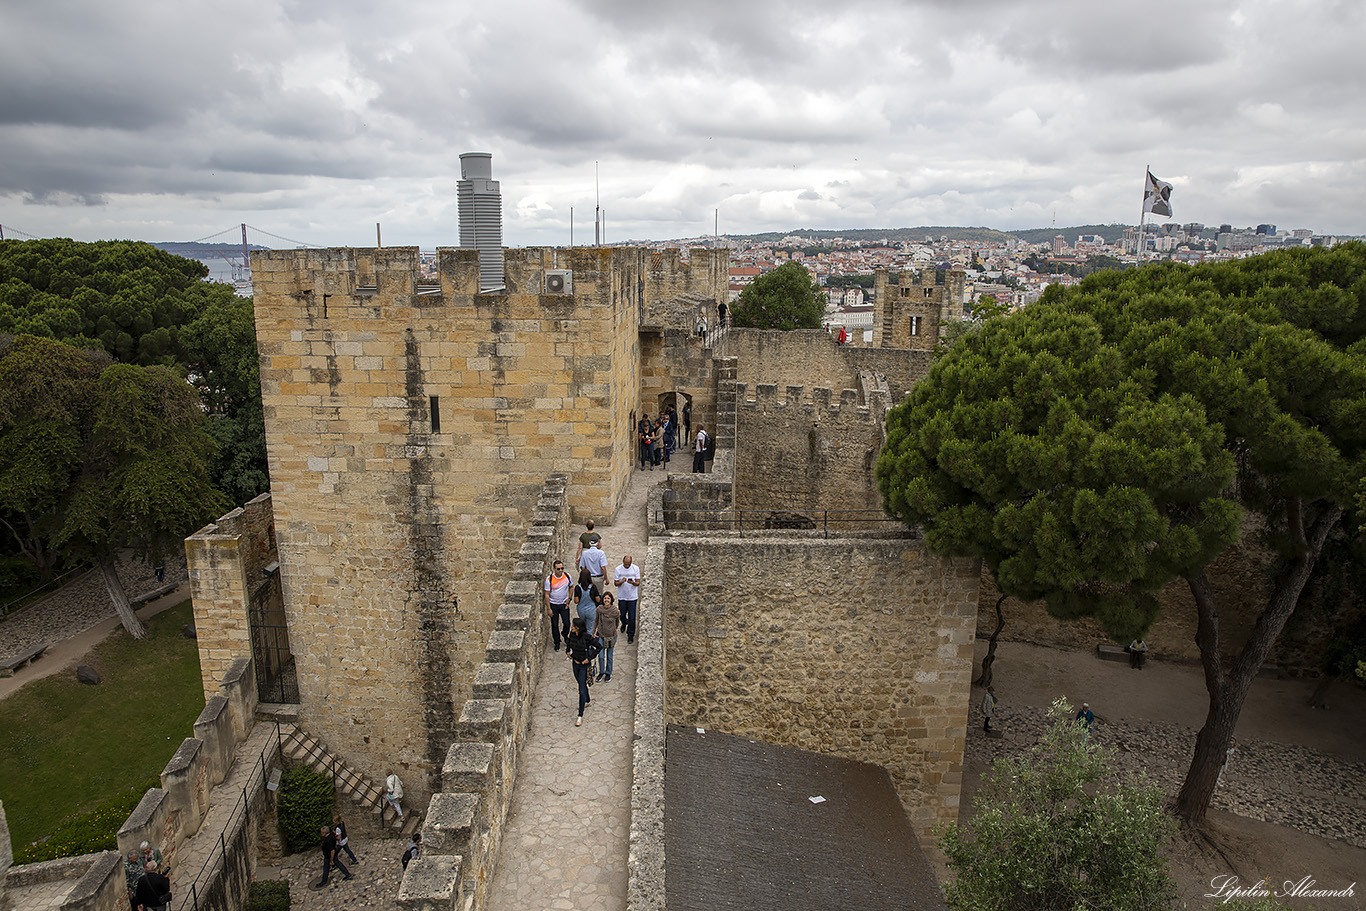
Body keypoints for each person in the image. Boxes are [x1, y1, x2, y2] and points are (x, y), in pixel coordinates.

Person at [566, 617, 601, 725]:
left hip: (583, 666)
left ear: (578, 628)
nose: (571, 628)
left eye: (573, 626)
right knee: (581, 683)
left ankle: (580, 715)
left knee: (581, 689)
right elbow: (569, 643)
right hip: (575, 663)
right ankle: (588, 700)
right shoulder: (572, 635)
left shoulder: (586, 637)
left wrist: (589, 658)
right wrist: (568, 651)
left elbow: (598, 647)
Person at [544, 560, 572, 651]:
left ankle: (564, 634)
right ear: (554, 569)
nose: (560, 570)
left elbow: (571, 587)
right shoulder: (549, 580)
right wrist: (548, 608)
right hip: (554, 604)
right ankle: (557, 642)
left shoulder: (567, 576)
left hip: (564, 604)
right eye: (558, 569)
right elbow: (547, 594)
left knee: (567, 623)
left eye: (562, 568)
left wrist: (569, 599)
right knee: (555, 624)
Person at [614, 554, 641, 644]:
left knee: (632, 617)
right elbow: (616, 583)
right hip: (622, 596)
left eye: (628, 564)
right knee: (622, 614)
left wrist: (632, 582)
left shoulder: (635, 569)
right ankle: (624, 623)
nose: (627, 566)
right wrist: (622, 581)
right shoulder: (618, 569)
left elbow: (638, 582)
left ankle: (630, 634)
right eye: (625, 564)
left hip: (632, 597)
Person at [596, 590, 620, 682]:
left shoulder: (615, 611)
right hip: (601, 636)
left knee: (609, 656)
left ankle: (608, 673)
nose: (606, 600)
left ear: (611, 600)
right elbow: (596, 621)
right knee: (601, 656)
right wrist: (594, 632)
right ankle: (601, 672)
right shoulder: (599, 609)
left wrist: (612, 630)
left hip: (611, 636)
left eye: (608, 598)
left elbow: (617, 622)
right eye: (605, 598)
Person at [573, 569, 600, 651]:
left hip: (581, 610)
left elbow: (576, 601)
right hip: (591, 610)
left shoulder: (578, 587)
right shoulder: (593, 587)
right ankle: (589, 645)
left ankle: (582, 643)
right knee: (590, 628)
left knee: (582, 627)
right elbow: (598, 600)